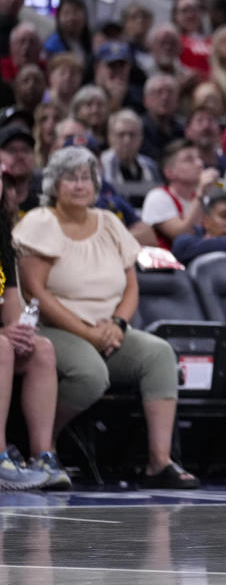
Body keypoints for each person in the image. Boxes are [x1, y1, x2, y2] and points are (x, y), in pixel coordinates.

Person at [13, 146, 199, 489]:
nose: (80, 185)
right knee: (90, 373)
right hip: (53, 328)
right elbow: (34, 291)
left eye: (86, 178)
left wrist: (118, 325)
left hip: (107, 329)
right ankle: (41, 444)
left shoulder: (110, 224)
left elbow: (131, 286)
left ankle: (160, 462)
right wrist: (87, 333)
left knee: (159, 354)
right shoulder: (40, 222)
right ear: (54, 183)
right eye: (71, 178)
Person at [0, 172, 66, 490]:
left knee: (40, 348)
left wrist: (19, 332)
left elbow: (11, 301)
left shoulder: (3, 237)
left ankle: (43, 455)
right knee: (1, 346)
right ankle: (0, 458)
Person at [141, 139, 221, 249]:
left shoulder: (205, 198)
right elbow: (183, 235)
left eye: (199, 158)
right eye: (189, 160)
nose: (199, 164)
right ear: (169, 172)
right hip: (170, 263)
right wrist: (201, 193)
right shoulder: (158, 197)